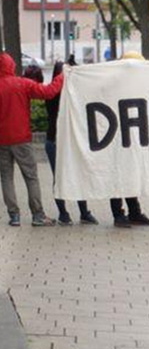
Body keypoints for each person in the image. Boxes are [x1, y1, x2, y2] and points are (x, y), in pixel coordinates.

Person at [29, 61, 97, 226]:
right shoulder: (52, 94)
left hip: (70, 142)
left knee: (78, 176)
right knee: (59, 178)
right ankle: (63, 213)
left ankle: (83, 212)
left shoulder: (76, 94)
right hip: (55, 141)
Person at [0, 52, 65, 227]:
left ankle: (14, 216)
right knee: (31, 177)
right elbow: (49, 92)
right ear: (11, 66)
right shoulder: (22, 84)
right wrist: (61, 76)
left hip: (1, 141)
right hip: (21, 139)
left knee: (6, 177)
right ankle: (38, 215)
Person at [108, 51, 149, 228]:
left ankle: (134, 211)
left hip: (131, 136)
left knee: (129, 174)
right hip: (115, 137)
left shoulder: (137, 83)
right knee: (116, 176)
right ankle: (118, 214)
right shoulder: (114, 82)